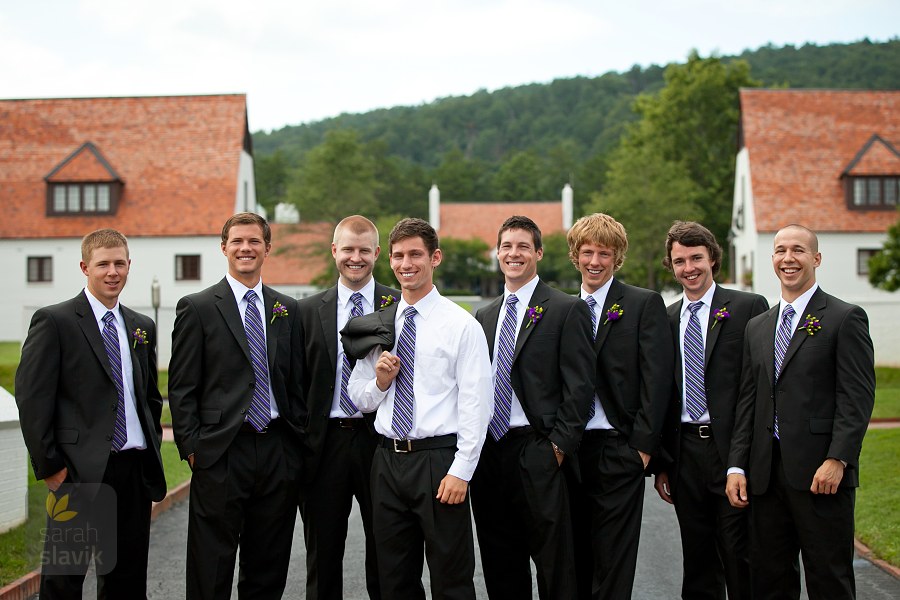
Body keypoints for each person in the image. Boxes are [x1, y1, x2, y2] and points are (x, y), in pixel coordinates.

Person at [726, 224, 875, 600]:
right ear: (772, 258)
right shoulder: (757, 327)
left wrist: (838, 458)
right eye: (780, 251)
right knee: (769, 580)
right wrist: (737, 465)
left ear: (816, 258)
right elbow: (749, 400)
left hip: (821, 475)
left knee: (829, 578)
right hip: (764, 476)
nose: (787, 258)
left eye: (798, 250)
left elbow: (856, 397)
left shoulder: (845, 318)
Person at [346, 217, 492, 600]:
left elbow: (478, 404)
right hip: (387, 461)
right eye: (397, 256)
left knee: (451, 576)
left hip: (439, 462)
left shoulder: (461, 325)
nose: (405, 263)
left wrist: (462, 470)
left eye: (415, 254)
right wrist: (379, 381)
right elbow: (358, 397)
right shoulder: (377, 325)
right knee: (393, 578)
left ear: (435, 257)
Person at [15, 228, 166, 599]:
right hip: (77, 474)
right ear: (85, 267)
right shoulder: (55, 322)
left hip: (132, 470)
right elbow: (32, 399)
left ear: (129, 266)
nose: (112, 272)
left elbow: (148, 396)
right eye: (103, 264)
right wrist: (51, 468)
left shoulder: (141, 326)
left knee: (127, 581)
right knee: (64, 582)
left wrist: (151, 443)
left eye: (119, 263)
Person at [169, 212, 306, 600]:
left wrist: (294, 449)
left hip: (277, 449)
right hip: (221, 450)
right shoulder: (197, 307)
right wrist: (194, 449)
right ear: (224, 247)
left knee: (268, 563)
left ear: (267, 248)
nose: (246, 248)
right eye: (238, 241)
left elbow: (295, 381)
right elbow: (181, 387)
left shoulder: (287, 309)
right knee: (210, 564)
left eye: (254, 242)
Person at [470, 215, 595, 600]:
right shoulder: (484, 316)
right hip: (490, 454)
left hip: (538, 450)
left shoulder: (565, 309)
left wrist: (557, 448)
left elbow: (581, 387)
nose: (513, 253)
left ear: (538, 253)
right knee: (500, 562)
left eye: (523, 246)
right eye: (506, 246)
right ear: (497, 253)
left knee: (555, 564)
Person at [652, 221, 768, 600]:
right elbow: (662, 394)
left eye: (696, 258)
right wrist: (663, 464)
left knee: (739, 552)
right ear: (671, 266)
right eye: (680, 260)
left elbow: (757, 387)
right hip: (685, 453)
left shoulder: (748, 307)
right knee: (697, 556)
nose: (689, 268)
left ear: (713, 259)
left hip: (732, 450)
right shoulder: (665, 319)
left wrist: (742, 459)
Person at [565, 212, 673, 599]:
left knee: (614, 560)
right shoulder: (560, 308)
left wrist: (642, 451)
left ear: (618, 258)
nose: (595, 261)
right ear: (575, 256)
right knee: (574, 556)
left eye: (604, 254)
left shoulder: (643, 304)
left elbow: (657, 381)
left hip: (619, 449)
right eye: (588, 252)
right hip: (569, 453)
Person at [297, 215, 398, 600]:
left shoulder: (397, 304)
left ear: (376, 254)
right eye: (347, 250)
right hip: (325, 445)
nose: (355, 258)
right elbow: (295, 382)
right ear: (334, 251)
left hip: (380, 443)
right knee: (322, 555)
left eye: (363, 251)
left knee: (387, 548)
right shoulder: (306, 311)